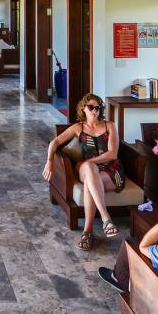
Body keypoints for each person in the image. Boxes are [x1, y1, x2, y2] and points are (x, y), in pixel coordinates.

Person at [43, 93, 124, 250]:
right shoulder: (78, 127)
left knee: (89, 182)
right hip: (85, 169)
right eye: (91, 107)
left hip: (111, 170)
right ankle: (106, 218)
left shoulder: (110, 126)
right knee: (89, 169)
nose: (95, 111)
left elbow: (112, 154)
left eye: (97, 108)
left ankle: (87, 232)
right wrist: (50, 161)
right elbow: (54, 142)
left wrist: (89, 161)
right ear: (83, 108)